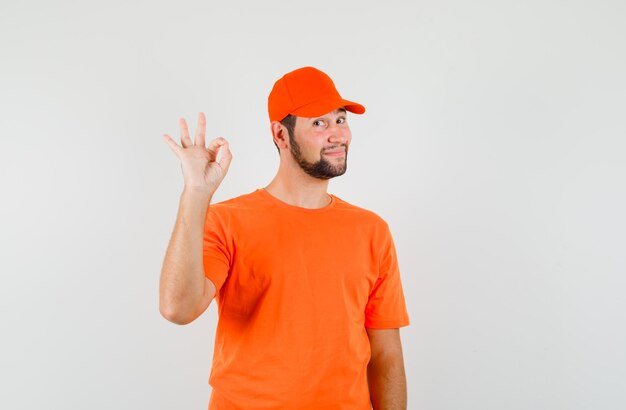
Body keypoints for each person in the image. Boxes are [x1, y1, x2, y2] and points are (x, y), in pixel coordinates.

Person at [159, 66, 410, 410]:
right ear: (281, 135)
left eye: (340, 120)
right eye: (319, 123)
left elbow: (386, 354)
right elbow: (178, 308)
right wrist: (195, 194)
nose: (337, 134)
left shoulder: (371, 230)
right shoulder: (226, 221)